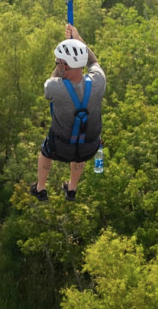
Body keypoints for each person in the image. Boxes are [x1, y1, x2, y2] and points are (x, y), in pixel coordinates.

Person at [30, 24, 106, 202]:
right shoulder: (99, 82)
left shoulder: (55, 87)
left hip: (60, 146)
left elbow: (50, 84)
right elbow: (93, 62)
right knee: (80, 151)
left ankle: (40, 188)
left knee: (45, 152)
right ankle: (72, 188)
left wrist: (61, 64)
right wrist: (78, 41)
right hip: (89, 147)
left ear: (63, 66)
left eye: (58, 62)